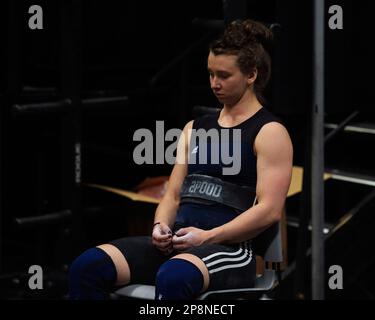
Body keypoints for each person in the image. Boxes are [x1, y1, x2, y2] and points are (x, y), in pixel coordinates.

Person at [68, 19, 293, 300]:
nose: (214, 83)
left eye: (224, 75)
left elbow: (270, 210)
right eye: (210, 74)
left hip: (231, 251)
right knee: (87, 267)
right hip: (180, 248)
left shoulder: (269, 132)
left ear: (251, 75)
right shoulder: (194, 128)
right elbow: (172, 196)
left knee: (174, 277)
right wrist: (159, 227)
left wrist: (208, 237)